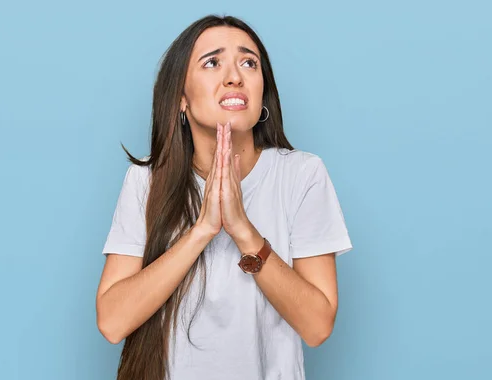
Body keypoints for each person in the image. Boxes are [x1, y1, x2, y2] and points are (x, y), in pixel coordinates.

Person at [96, 14, 353, 380]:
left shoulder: (302, 175)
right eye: (212, 62)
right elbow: (112, 321)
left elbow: (317, 326)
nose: (235, 76)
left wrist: (243, 231)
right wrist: (201, 231)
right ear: (181, 98)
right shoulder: (145, 181)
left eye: (249, 62)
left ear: (262, 93)